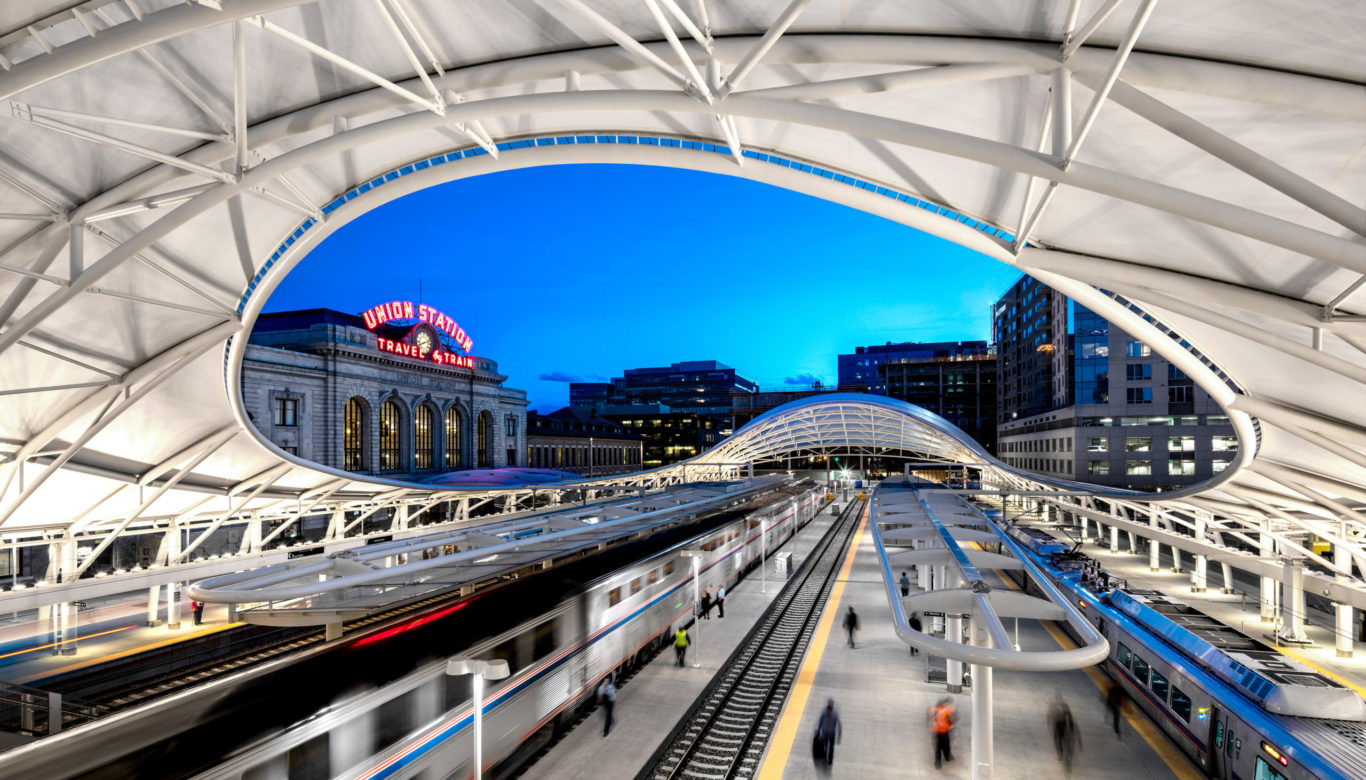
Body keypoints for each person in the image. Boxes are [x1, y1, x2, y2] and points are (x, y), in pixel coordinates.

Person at [1051, 695, 1081, 772]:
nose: (1067, 717)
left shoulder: (1072, 723)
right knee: (1060, 746)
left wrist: (1080, 743)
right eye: (1066, 716)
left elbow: (1077, 732)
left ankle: (1068, 765)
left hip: (1069, 739)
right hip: (1061, 736)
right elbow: (1056, 731)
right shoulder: (1059, 722)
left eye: (1068, 716)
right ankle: (1060, 753)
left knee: (1070, 752)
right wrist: (1055, 737)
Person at [815, 698, 841, 767]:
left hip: (828, 732)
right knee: (828, 746)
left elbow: (820, 721)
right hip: (829, 732)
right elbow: (837, 724)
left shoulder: (824, 712)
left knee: (828, 746)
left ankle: (828, 759)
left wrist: (818, 731)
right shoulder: (834, 713)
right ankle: (829, 760)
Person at [931, 698, 955, 768]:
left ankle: (938, 762)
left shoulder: (936, 709)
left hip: (937, 731)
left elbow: (933, 718)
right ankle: (947, 757)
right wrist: (950, 725)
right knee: (945, 746)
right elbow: (951, 720)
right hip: (944, 731)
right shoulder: (948, 710)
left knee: (939, 747)